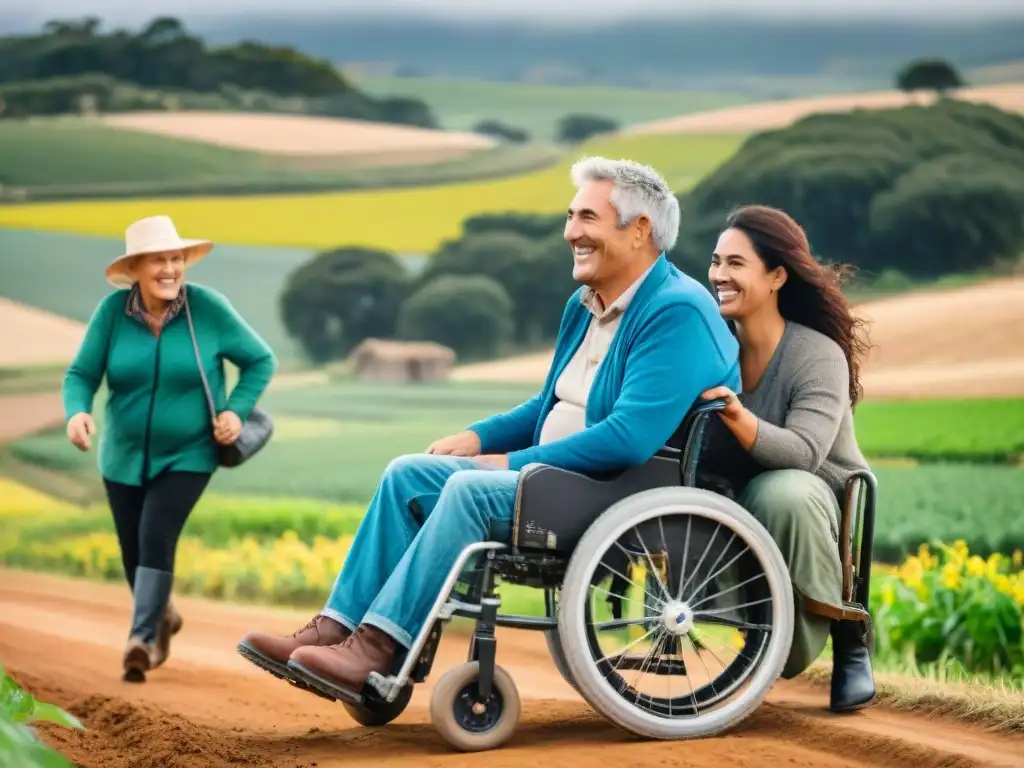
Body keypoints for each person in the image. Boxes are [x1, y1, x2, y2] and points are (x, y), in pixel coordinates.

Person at [238, 157, 742, 697]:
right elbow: (547, 406)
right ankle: (336, 630)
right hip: (556, 478)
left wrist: (507, 463)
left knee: (468, 490)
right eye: (570, 216)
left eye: (588, 218)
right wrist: (478, 437)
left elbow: (630, 437)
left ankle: (379, 648)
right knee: (407, 473)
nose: (571, 231)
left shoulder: (676, 310)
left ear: (640, 230)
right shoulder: (585, 304)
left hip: (619, 489)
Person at [63, 215, 277, 683]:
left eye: (176, 258)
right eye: (159, 259)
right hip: (121, 454)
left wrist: (237, 411)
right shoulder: (112, 314)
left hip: (191, 452)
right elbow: (81, 375)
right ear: (136, 267)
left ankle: (140, 639)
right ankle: (162, 613)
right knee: (131, 554)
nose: (170, 268)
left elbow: (261, 359)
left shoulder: (208, 309)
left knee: (155, 534)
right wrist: (77, 412)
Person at [698, 204, 876, 712]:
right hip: (737, 490)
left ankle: (847, 631)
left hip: (813, 491)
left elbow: (802, 452)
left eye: (736, 263)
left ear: (777, 276)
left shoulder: (815, 354)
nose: (719, 275)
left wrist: (735, 412)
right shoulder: (714, 348)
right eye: (715, 262)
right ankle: (751, 636)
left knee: (780, 491)